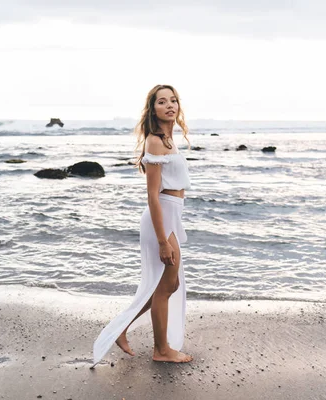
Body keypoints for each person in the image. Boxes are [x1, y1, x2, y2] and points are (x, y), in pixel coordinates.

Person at [93, 84, 193, 365]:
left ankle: (123, 329)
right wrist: (162, 240)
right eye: (162, 102)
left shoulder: (169, 139)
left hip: (171, 214)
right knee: (165, 284)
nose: (170, 105)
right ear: (153, 109)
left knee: (166, 285)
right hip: (160, 216)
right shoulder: (154, 140)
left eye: (173, 100)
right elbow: (152, 194)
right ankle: (161, 350)